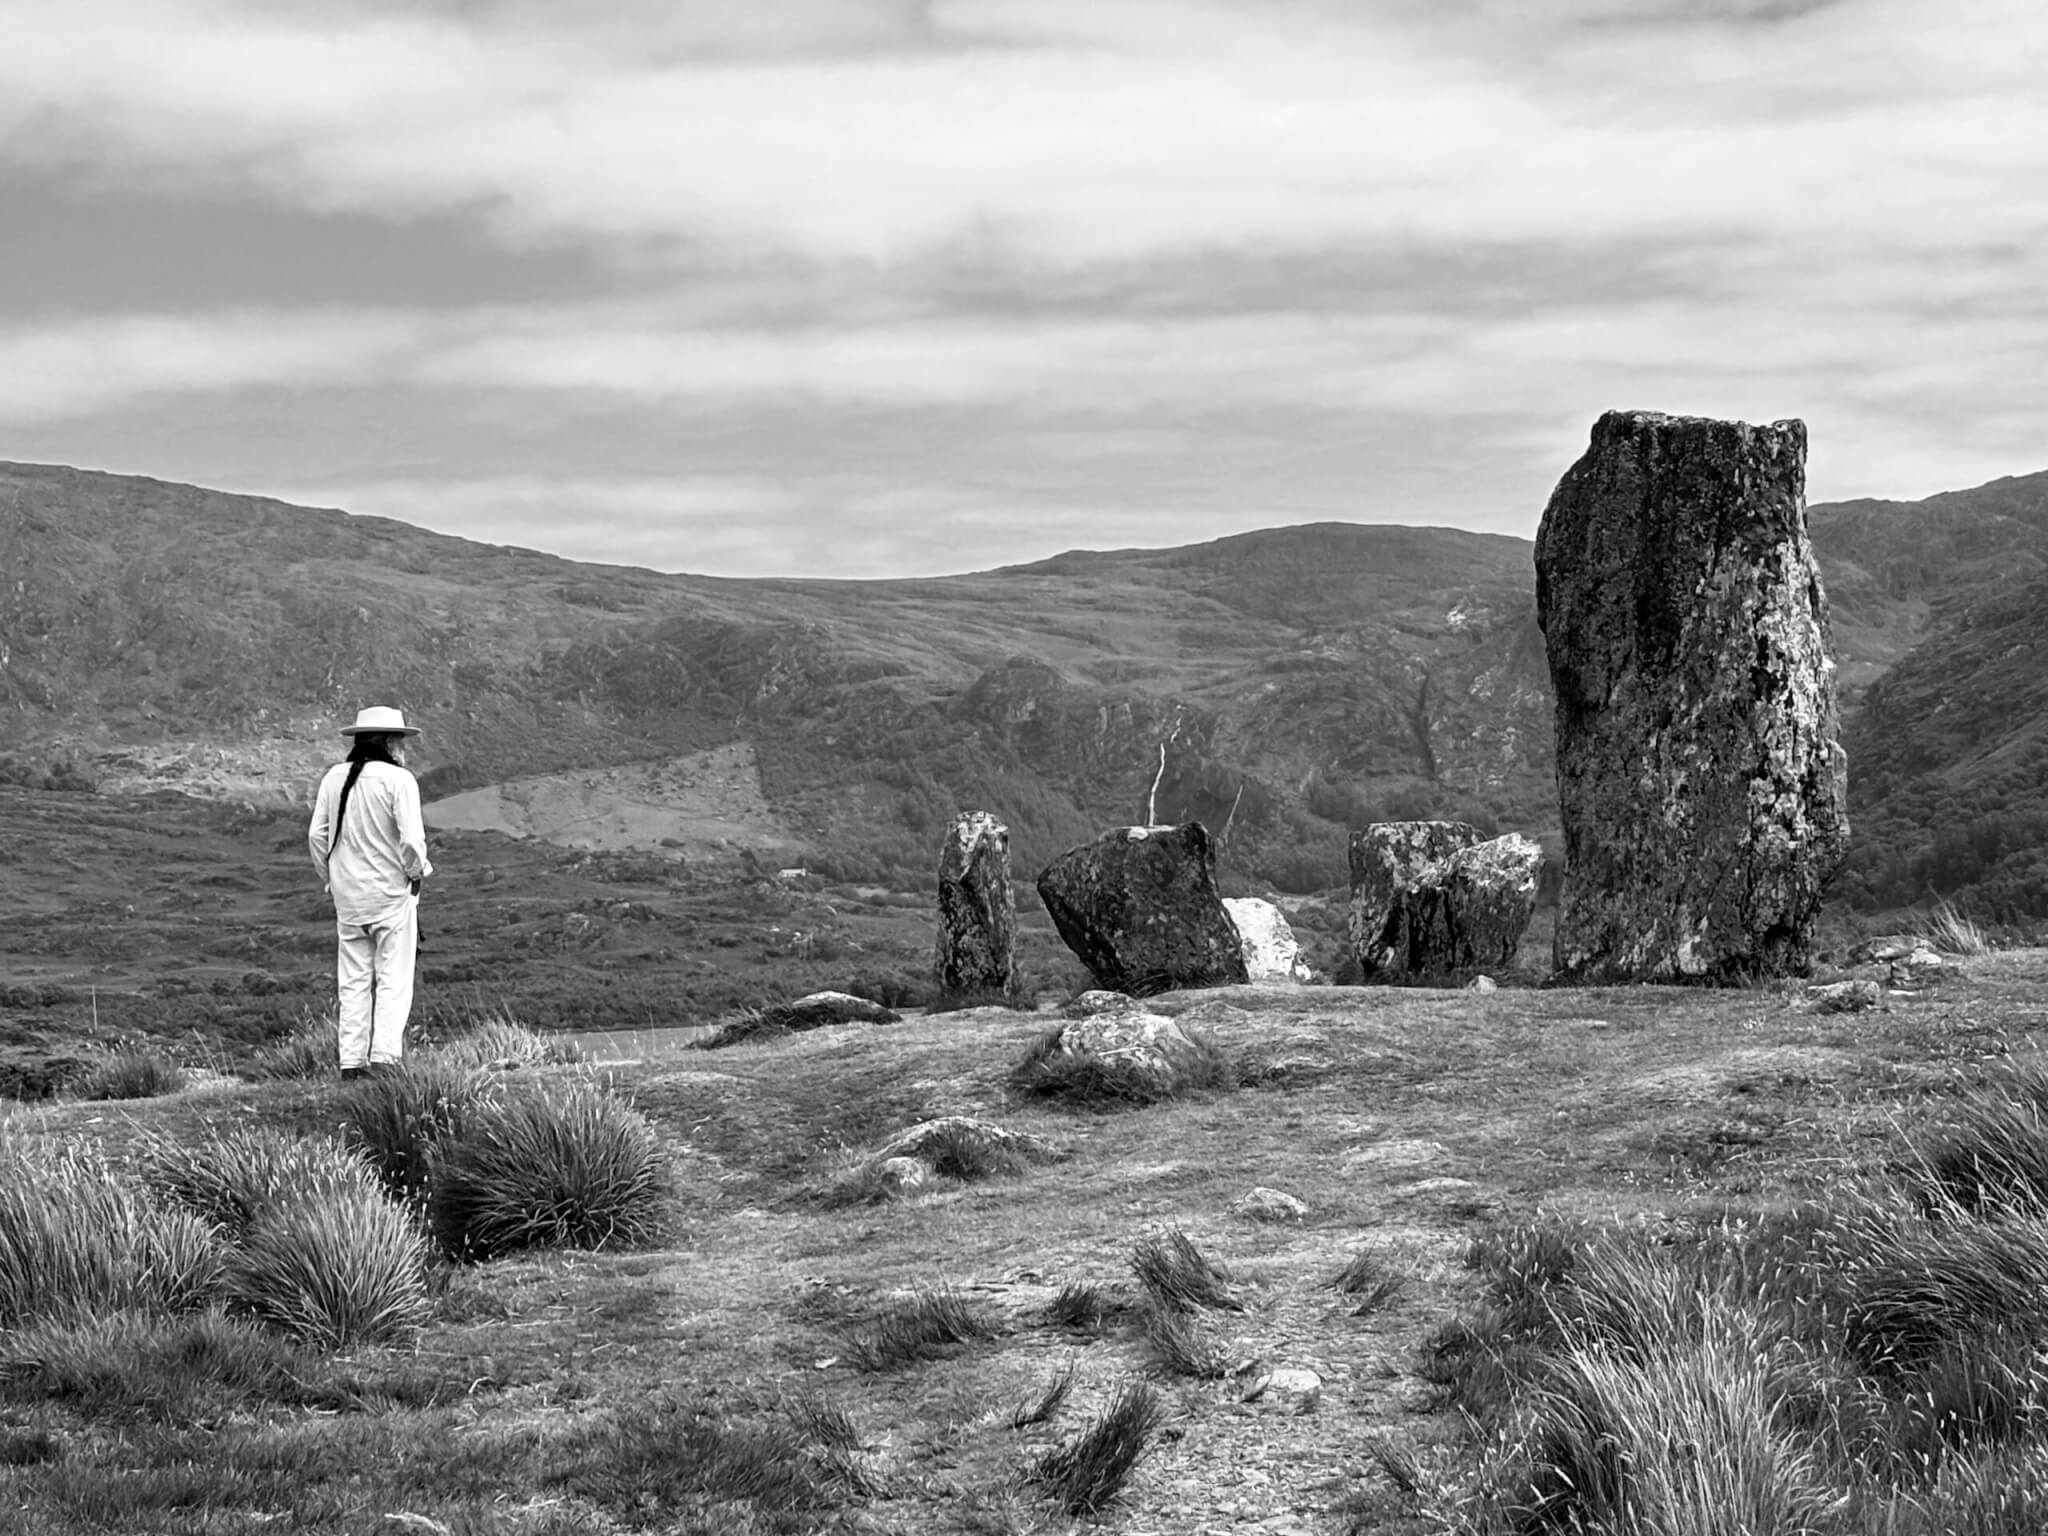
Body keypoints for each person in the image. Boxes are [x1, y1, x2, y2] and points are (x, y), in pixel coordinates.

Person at [307, 706, 433, 1077]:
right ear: (392, 742)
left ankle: (351, 1062)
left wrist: (331, 879)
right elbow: (411, 840)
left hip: (348, 898)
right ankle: (385, 1058)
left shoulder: (334, 778)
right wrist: (414, 874)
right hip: (390, 895)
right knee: (394, 977)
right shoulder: (399, 780)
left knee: (354, 980)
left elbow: (317, 836)